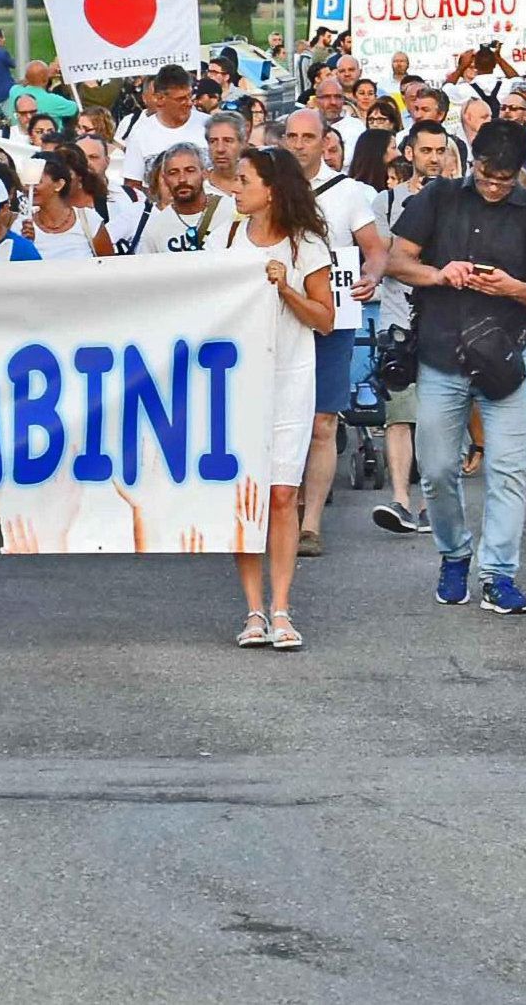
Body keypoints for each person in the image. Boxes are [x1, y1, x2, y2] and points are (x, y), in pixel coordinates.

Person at [387, 122, 526, 616]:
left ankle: (498, 573)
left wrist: (512, 287)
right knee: (440, 469)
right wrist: (440, 274)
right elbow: (396, 261)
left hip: (508, 357)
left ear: (520, 174)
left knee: (508, 470)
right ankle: (454, 553)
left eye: (504, 182)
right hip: (442, 353)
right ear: (472, 162)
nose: (493, 187)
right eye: (487, 176)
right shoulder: (439, 199)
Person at [228, 146, 337, 653]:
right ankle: (253, 608)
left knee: (282, 493)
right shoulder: (227, 236)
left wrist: (286, 286)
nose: (235, 187)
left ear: (269, 188)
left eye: (244, 179)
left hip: (290, 376)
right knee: (246, 494)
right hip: (238, 380)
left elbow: (324, 318)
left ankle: (282, 607)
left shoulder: (306, 244)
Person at [279, 110, 386, 556]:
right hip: (282, 317)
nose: (300, 144)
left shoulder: (346, 194)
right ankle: (283, 506)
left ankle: (311, 523)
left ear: (325, 142)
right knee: (284, 420)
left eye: (309, 137)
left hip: (333, 318)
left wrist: (372, 275)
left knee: (323, 421)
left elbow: (376, 249)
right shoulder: (270, 188)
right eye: (292, 137)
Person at [370, 120, 453, 535]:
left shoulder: (460, 202)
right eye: (426, 151)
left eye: (441, 151)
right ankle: (400, 500)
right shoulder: (386, 202)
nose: (433, 158)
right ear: (410, 154)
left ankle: (429, 504)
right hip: (398, 321)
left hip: (444, 323)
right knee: (398, 414)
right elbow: (383, 258)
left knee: (436, 417)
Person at [135, 144, 235, 253]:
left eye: (190, 170)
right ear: (164, 178)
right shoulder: (155, 229)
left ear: (204, 174)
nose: (182, 179)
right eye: (173, 173)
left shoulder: (230, 211)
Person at [117, 65, 203, 193]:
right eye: (180, 99)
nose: (189, 103)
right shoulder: (140, 133)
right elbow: (132, 185)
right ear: (159, 99)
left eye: (189, 96)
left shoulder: (209, 125)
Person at [23, 153, 112, 259]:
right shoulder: (22, 224)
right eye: (27, 183)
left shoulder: (89, 220)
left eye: (37, 182)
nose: (30, 188)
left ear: (59, 184)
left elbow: (110, 266)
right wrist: (26, 245)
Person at [203, 111, 247, 200]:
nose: (220, 149)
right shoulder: (198, 188)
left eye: (228, 140)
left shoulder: (257, 186)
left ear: (242, 143)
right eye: (213, 141)